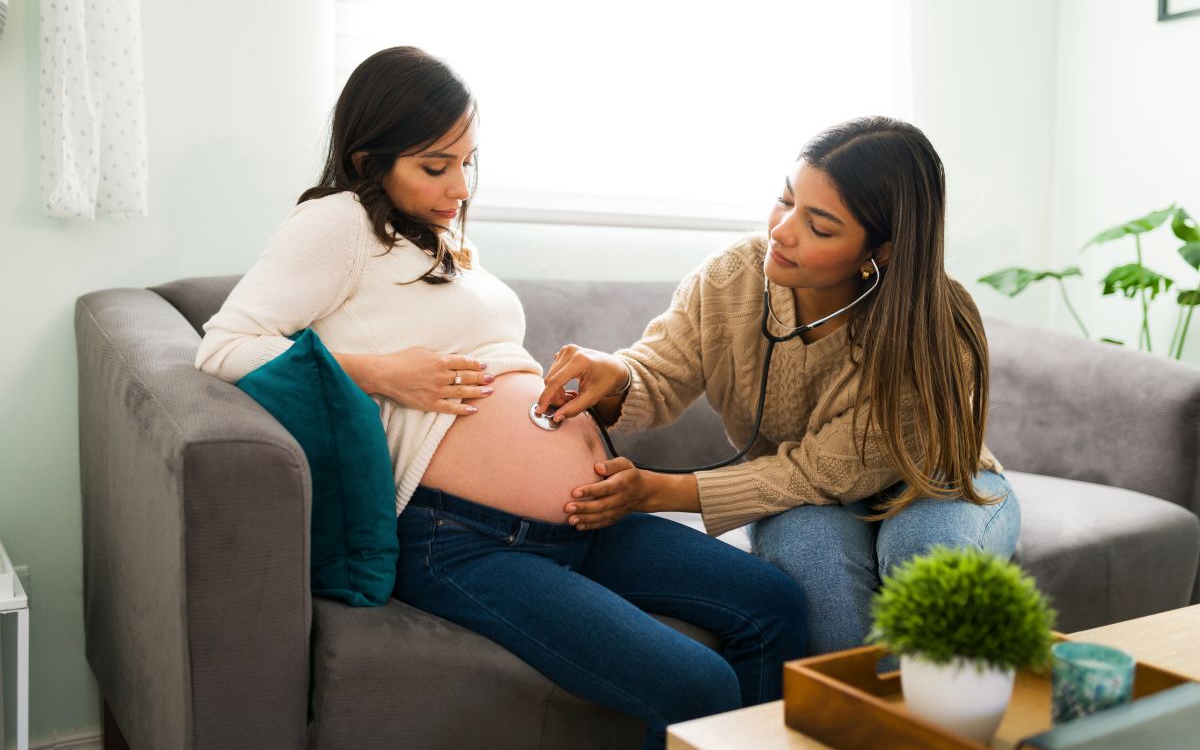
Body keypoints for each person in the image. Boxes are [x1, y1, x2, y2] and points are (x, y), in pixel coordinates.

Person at [195, 46, 807, 749]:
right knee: (698, 685)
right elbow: (223, 347)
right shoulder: (338, 223)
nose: (459, 185)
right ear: (369, 163)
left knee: (775, 603)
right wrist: (380, 373)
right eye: (435, 166)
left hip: (585, 520)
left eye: (468, 161)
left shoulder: (438, 239)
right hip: (461, 541)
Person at [535, 116, 1020, 657]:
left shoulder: (937, 328)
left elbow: (821, 470)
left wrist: (655, 492)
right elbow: (659, 372)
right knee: (824, 596)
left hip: (931, 480)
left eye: (820, 225)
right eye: (785, 200)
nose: (782, 231)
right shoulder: (732, 277)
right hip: (801, 498)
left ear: (880, 251)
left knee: (926, 564)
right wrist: (617, 375)